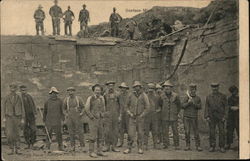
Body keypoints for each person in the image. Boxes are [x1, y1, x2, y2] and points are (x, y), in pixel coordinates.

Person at [123, 81, 150, 154]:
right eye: (135, 87)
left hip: (140, 117)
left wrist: (142, 115)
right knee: (130, 133)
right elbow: (126, 106)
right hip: (132, 117)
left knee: (140, 133)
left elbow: (147, 107)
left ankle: (140, 148)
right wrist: (130, 113)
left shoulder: (144, 95)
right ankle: (129, 148)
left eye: (137, 86)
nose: (136, 88)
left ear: (140, 87)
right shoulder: (130, 95)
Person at [85, 84, 107, 158]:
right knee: (93, 136)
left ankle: (99, 151)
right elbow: (87, 109)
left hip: (100, 120)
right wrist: (92, 117)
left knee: (101, 135)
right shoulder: (90, 98)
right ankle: (91, 152)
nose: (98, 91)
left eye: (99, 90)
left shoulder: (102, 98)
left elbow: (104, 108)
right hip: (93, 120)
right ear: (93, 91)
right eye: (96, 90)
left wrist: (103, 115)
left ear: (101, 91)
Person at [3, 83, 25, 155]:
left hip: (17, 117)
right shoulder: (6, 97)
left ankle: (18, 149)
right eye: (12, 88)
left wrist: (22, 118)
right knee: (9, 134)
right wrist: (3, 117)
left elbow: (22, 108)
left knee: (17, 134)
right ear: (10, 89)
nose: (13, 90)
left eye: (14, 88)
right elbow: (3, 108)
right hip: (9, 117)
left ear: (16, 89)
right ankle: (11, 149)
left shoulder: (19, 97)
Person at [204, 83, 227, 153]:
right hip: (212, 117)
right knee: (212, 132)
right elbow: (206, 107)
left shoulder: (223, 96)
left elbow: (226, 107)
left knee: (222, 132)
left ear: (218, 87)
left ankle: (222, 146)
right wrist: (207, 116)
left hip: (220, 117)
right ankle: (212, 146)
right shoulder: (208, 97)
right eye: (213, 87)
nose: (215, 89)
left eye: (216, 87)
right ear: (211, 88)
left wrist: (225, 117)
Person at [159, 80, 181, 150]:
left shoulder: (176, 95)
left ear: (171, 88)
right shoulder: (161, 96)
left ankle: (176, 144)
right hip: (164, 116)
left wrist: (176, 113)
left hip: (173, 116)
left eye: (168, 88)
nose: (167, 89)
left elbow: (179, 106)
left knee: (175, 131)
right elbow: (160, 105)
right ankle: (166, 144)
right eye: (165, 88)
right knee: (165, 131)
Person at [63, 87, 85, 152]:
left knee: (80, 132)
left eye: (72, 91)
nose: (71, 93)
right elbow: (64, 109)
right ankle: (72, 146)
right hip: (69, 117)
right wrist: (66, 114)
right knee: (71, 132)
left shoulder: (79, 99)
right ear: (68, 92)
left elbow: (83, 107)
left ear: (74, 92)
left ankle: (82, 146)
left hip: (77, 116)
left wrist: (81, 113)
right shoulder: (66, 100)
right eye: (69, 91)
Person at [182, 84, 203, 151]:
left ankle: (198, 146)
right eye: (191, 90)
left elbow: (200, 107)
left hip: (194, 117)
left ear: (195, 90)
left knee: (196, 132)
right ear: (189, 90)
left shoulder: (198, 98)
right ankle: (187, 145)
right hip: (186, 117)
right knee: (187, 131)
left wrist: (193, 103)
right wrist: (188, 102)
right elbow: (182, 106)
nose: (192, 91)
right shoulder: (186, 97)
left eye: (193, 90)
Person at [43, 87, 64, 151]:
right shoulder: (47, 102)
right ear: (50, 94)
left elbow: (62, 111)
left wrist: (63, 119)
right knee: (48, 133)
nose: (53, 94)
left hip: (57, 120)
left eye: (55, 93)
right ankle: (47, 146)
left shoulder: (60, 101)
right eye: (52, 93)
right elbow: (45, 112)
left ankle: (60, 146)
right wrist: (44, 120)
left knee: (59, 133)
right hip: (49, 120)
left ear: (56, 94)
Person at [102, 81, 120, 152]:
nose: (111, 87)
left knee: (115, 131)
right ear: (107, 86)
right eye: (109, 86)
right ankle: (107, 146)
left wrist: (120, 115)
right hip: (107, 115)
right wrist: (104, 114)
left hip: (115, 115)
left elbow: (121, 105)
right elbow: (103, 105)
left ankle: (114, 146)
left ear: (114, 86)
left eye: (112, 86)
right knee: (107, 131)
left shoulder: (118, 94)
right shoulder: (104, 95)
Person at [144, 83, 161, 150]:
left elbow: (160, 106)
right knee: (146, 131)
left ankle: (155, 144)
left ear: (154, 90)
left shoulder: (157, 97)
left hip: (155, 117)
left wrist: (157, 110)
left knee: (155, 131)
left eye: (152, 89)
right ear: (147, 89)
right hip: (147, 116)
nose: (150, 91)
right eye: (149, 89)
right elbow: (142, 106)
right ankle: (145, 145)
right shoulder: (145, 97)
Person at [20, 85, 37, 150]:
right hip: (24, 116)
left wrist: (35, 114)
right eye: (22, 90)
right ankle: (28, 144)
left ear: (26, 90)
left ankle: (32, 143)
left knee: (33, 129)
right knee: (25, 130)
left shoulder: (29, 96)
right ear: (20, 91)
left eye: (24, 90)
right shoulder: (19, 98)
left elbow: (33, 105)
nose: (23, 91)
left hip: (31, 115)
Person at [225, 85, 239, 150]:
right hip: (231, 116)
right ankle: (228, 144)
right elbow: (230, 107)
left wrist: (238, 107)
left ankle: (240, 144)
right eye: (233, 91)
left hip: (238, 116)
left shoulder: (240, 97)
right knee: (229, 130)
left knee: (239, 129)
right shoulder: (229, 98)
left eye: (235, 91)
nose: (235, 92)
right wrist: (235, 107)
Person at [117, 82, 130, 147]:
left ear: (126, 88)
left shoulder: (129, 95)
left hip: (128, 114)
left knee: (129, 129)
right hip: (121, 113)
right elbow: (118, 105)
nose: (123, 89)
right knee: (121, 129)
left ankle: (130, 143)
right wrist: (119, 115)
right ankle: (121, 142)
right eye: (121, 88)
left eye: (124, 88)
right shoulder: (119, 95)